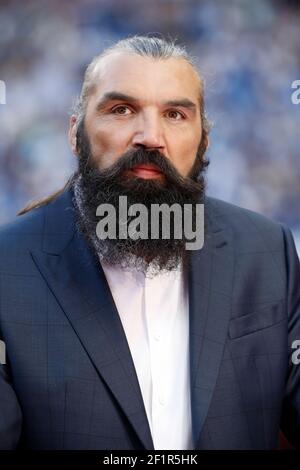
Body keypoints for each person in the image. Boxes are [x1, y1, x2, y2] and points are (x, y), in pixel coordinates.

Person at [0, 35, 299, 450]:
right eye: (122, 110)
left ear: (204, 141)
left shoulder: (267, 252)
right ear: (75, 133)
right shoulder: (7, 269)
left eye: (175, 114)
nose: (150, 136)